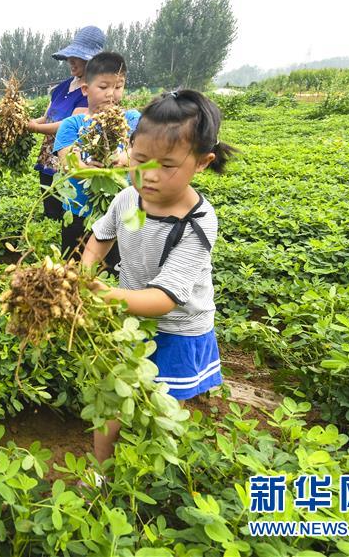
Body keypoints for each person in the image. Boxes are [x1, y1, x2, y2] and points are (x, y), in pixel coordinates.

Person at [80, 89, 236, 483]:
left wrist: (106, 296)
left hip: (178, 328)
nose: (148, 174)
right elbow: (99, 240)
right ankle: (101, 473)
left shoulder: (199, 222)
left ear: (202, 162)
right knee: (112, 399)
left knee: (164, 407)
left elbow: (165, 300)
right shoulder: (127, 199)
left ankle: (159, 481)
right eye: (139, 159)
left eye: (166, 165)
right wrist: (84, 275)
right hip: (129, 319)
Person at [54, 52, 140, 262]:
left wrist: (123, 158)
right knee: (75, 267)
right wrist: (85, 168)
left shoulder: (131, 119)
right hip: (78, 213)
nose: (111, 94)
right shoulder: (71, 125)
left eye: (118, 86)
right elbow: (68, 164)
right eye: (103, 87)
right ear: (86, 89)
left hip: (124, 211)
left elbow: (141, 151)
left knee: (118, 266)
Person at [29, 26, 105, 220]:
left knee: (68, 210)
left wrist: (34, 128)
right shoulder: (62, 87)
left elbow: (70, 125)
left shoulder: (91, 91)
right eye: (70, 57)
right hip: (48, 157)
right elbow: (47, 117)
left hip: (70, 158)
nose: (70, 61)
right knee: (49, 207)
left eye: (76, 57)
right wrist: (27, 122)